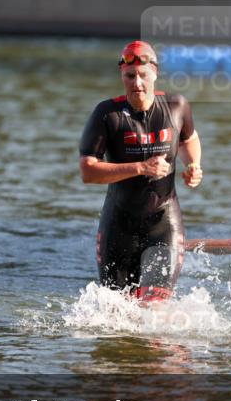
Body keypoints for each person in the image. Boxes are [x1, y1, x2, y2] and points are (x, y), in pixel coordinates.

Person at [79, 40, 203, 302]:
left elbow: (189, 139)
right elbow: (88, 171)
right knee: (116, 312)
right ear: (121, 76)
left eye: (143, 75)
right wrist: (141, 167)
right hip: (118, 225)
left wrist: (193, 165)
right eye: (130, 76)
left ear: (155, 73)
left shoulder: (176, 105)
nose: (137, 83)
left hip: (163, 223)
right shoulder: (107, 114)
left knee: (154, 307)